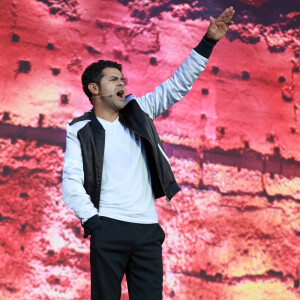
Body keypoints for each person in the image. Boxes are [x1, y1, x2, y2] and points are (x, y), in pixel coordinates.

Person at [62, 7, 235, 300]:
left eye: (122, 79)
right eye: (113, 79)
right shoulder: (79, 129)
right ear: (94, 88)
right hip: (108, 226)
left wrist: (208, 42)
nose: (122, 83)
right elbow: (71, 180)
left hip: (147, 230)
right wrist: (93, 220)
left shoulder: (139, 112)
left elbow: (177, 85)